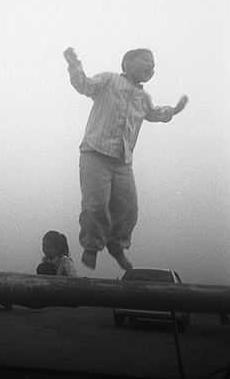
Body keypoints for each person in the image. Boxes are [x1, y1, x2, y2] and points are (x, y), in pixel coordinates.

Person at [63, 46, 188, 272]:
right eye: (146, 60)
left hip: (122, 161)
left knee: (128, 208)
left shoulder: (143, 97)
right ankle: (92, 246)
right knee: (96, 204)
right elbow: (84, 85)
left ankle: (117, 245)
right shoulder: (109, 80)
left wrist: (175, 110)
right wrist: (74, 65)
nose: (151, 66)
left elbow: (155, 113)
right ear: (127, 63)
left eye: (153, 65)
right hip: (96, 152)